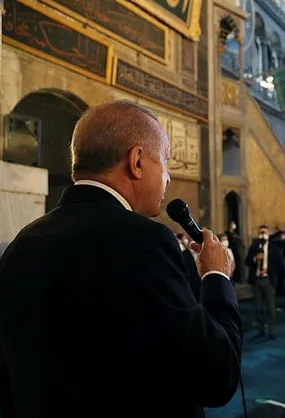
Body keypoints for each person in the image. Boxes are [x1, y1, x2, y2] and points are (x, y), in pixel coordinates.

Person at [0, 101, 241, 418]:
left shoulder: (23, 242)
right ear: (137, 162)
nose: (168, 178)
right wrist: (216, 277)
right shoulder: (143, 241)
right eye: (165, 162)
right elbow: (215, 374)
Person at [245, 225, 283, 339]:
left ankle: (272, 331)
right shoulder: (254, 247)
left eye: (264, 232)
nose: (262, 235)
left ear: (269, 233)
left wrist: (268, 269)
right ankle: (261, 329)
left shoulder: (273, 248)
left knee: (271, 307)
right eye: (261, 232)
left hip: (268, 280)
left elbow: (279, 263)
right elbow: (247, 261)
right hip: (256, 280)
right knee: (258, 307)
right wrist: (255, 258)